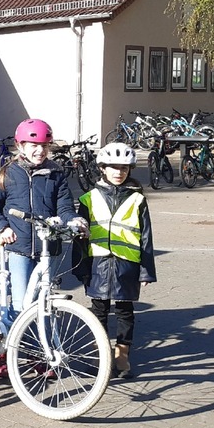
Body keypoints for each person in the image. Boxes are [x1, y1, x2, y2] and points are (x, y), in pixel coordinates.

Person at [0, 118, 87, 378]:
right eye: (33, 145)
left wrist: (71, 219)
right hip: (17, 247)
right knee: (20, 304)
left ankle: (40, 353)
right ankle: (10, 354)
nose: (39, 151)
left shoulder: (56, 174)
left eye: (44, 146)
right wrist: (3, 228)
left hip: (46, 249)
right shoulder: (6, 173)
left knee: (44, 303)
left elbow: (63, 206)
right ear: (20, 145)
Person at [73, 142, 156, 380]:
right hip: (97, 262)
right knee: (98, 311)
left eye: (124, 168)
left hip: (126, 264)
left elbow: (146, 236)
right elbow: (79, 237)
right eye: (113, 167)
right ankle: (100, 355)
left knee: (124, 310)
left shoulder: (137, 199)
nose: (118, 172)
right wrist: (80, 266)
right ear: (102, 168)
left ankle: (122, 356)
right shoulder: (88, 199)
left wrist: (146, 270)